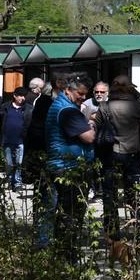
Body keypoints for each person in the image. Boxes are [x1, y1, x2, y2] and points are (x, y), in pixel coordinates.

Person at [38, 72, 97, 257]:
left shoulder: (60, 105)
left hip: (60, 163)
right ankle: (66, 254)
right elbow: (88, 137)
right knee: (71, 213)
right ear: (68, 90)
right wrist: (93, 125)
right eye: (80, 93)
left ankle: (56, 250)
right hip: (68, 167)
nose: (83, 97)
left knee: (60, 210)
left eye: (85, 94)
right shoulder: (68, 111)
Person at [97, 77, 140, 241]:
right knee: (133, 193)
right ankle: (135, 228)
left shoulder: (104, 106)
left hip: (110, 153)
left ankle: (111, 231)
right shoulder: (137, 107)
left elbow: (98, 131)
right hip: (133, 153)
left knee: (110, 193)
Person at [0, 86, 30, 187]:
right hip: (7, 139)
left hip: (20, 140)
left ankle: (16, 181)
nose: (23, 98)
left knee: (19, 162)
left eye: (24, 96)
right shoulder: (6, 107)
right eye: (20, 96)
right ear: (15, 96)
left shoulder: (28, 109)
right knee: (9, 163)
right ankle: (10, 179)